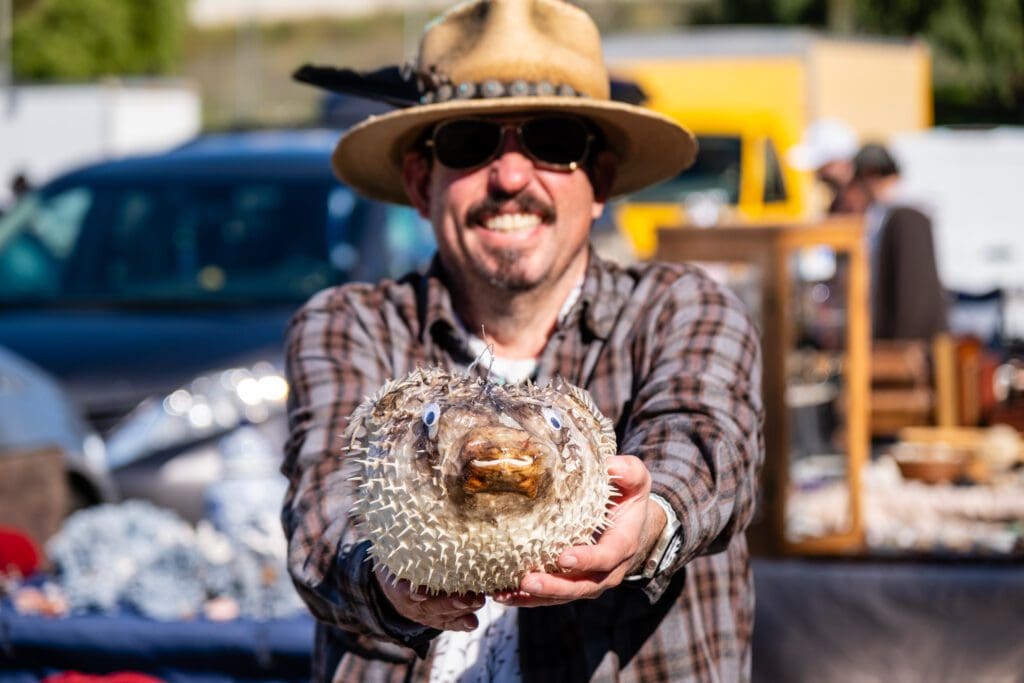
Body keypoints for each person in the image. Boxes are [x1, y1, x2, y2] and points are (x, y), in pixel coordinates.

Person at [282, 1, 764, 680]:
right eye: (468, 143)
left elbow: (708, 441)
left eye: (552, 139)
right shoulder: (348, 325)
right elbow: (323, 512)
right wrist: (382, 579)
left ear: (599, 179)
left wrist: (649, 518)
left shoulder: (682, 307)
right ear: (422, 183)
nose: (510, 177)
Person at [838, 143, 949, 341]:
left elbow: (914, 292)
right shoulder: (894, 213)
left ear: (870, 174)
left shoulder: (906, 216)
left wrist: (901, 345)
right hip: (907, 342)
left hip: (913, 345)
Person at [787, 119, 860, 215]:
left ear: (843, 164)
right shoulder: (839, 204)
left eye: (824, 166)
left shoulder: (858, 206)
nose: (819, 174)